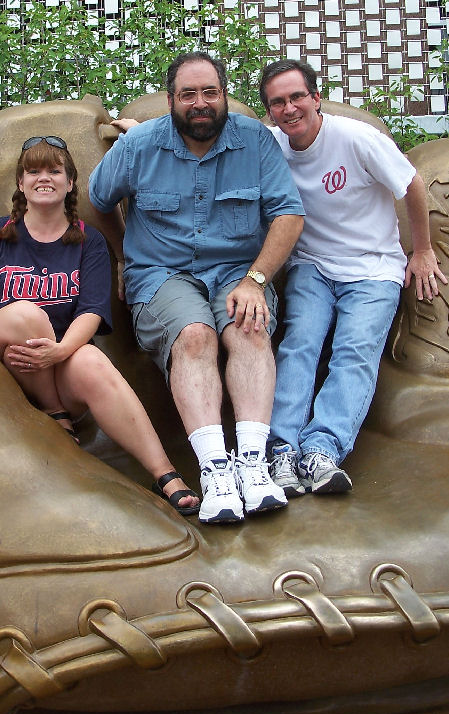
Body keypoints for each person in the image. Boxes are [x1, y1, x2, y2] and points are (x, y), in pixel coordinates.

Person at [0, 136, 201, 516]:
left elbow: (91, 312)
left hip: (51, 361)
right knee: (26, 314)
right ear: (21, 183)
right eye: (33, 171)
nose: (44, 178)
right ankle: (55, 413)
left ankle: (166, 476)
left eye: (54, 171)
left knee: (91, 359)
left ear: (70, 182)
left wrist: (59, 351)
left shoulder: (88, 242)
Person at [88, 51, 305, 525]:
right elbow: (98, 198)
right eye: (189, 94)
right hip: (162, 273)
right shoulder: (140, 145)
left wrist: (256, 279)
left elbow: (289, 215)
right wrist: (124, 255)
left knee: (248, 328)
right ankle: (216, 473)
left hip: (237, 273)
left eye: (210, 92)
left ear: (225, 95)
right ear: (172, 100)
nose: (200, 102)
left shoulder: (256, 143)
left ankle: (253, 464)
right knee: (195, 335)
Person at [259, 59, 448, 496]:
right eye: (278, 102)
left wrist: (421, 250)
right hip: (313, 265)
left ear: (315, 98)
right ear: (269, 111)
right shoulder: (270, 144)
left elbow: (412, 184)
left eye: (297, 97)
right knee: (299, 343)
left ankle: (323, 449)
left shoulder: (358, 139)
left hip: (373, 268)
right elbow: (213, 134)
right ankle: (282, 449)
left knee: (354, 351)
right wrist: (137, 131)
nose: (289, 109)